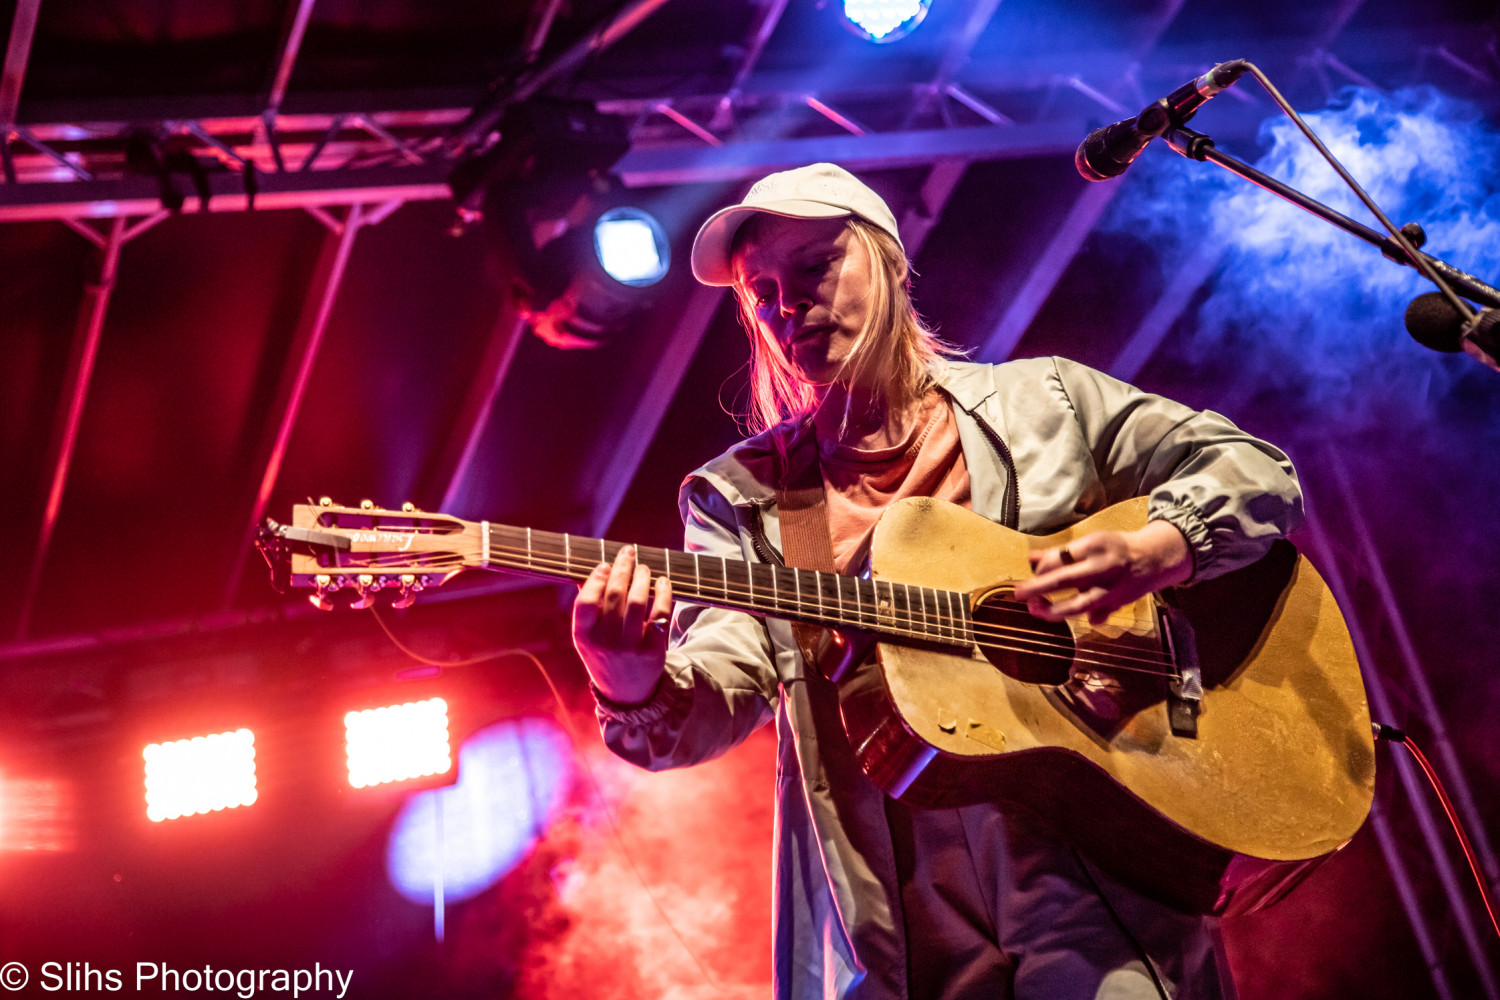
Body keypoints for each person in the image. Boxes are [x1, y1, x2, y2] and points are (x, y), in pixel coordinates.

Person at [571, 163, 1302, 999]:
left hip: (1101, 871)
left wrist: (1159, 548)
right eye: (761, 291)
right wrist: (627, 682)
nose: (786, 304)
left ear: (887, 260)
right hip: (902, 924)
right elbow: (719, 689)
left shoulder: (1048, 402)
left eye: (813, 266)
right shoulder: (743, 497)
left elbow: (1252, 468)